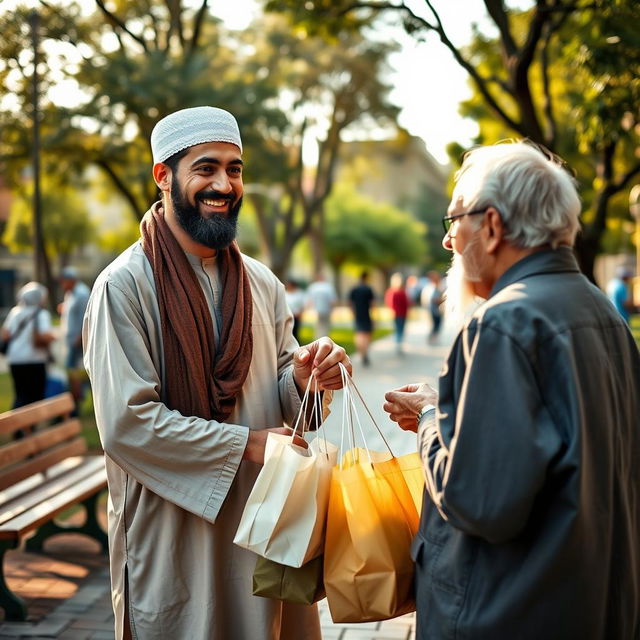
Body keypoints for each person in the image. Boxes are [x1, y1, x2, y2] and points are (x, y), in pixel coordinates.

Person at [82, 106, 351, 640]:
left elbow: (279, 393)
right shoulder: (124, 287)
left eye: (235, 169)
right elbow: (127, 425)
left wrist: (304, 379)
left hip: (267, 522)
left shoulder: (262, 283)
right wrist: (246, 445)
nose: (223, 184)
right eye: (205, 168)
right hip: (174, 531)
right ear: (163, 176)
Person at [383, 141, 640, 639]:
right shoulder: (600, 310)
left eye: (453, 220)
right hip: (587, 599)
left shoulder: (503, 323)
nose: (448, 242)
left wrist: (431, 419)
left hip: (509, 610)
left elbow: (477, 501)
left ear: (493, 226)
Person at [1, 282, 55, 409]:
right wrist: (54, 337)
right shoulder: (41, 314)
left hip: (15, 360)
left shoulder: (15, 312)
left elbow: (5, 334)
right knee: (35, 396)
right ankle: (29, 426)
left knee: (20, 394)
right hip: (34, 359)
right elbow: (45, 335)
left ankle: (18, 426)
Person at [58, 265, 91, 407]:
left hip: (78, 341)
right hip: (71, 341)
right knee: (77, 373)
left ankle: (76, 403)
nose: (62, 285)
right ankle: (78, 400)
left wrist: (81, 337)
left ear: (71, 280)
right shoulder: (70, 293)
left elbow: (87, 316)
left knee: (77, 373)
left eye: (63, 281)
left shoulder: (82, 293)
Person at [348, 270, 375, 366]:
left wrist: (353, 312)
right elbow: (372, 304)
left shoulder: (354, 289)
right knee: (367, 335)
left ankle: (361, 351)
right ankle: (365, 352)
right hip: (366, 314)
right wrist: (374, 315)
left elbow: (350, 303)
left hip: (357, 315)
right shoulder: (368, 289)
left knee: (359, 334)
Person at [384, 272, 409, 354]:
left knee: (399, 329)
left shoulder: (396, 291)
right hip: (399, 314)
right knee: (399, 329)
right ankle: (398, 344)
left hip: (401, 313)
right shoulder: (396, 292)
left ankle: (398, 344)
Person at [306, 272, 337, 339]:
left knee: (318, 326)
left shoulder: (313, 287)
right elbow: (332, 300)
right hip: (326, 309)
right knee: (326, 326)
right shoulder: (328, 287)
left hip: (316, 310)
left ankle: (318, 338)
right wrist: (333, 309)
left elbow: (309, 299)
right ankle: (325, 339)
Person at [419, 270, 445, 344]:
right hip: (432, 310)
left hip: (438, 310)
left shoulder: (438, 287)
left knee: (437, 325)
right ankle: (431, 339)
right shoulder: (430, 288)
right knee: (434, 325)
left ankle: (434, 338)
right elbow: (430, 299)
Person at [284, 278, 306, 343]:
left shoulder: (299, 294)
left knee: (295, 331)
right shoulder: (285, 293)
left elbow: (302, 305)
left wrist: (300, 313)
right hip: (287, 315)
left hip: (296, 316)